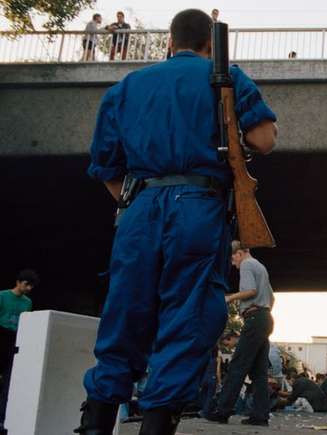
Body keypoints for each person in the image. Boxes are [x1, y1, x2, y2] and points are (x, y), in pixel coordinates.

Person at [75, 9, 278, 432]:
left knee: (125, 313)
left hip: (140, 209)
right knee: (185, 318)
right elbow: (264, 139)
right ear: (211, 44)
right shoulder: (226, 76)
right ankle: (156, 422)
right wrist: (233, 149)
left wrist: (136, 202)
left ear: (169, 41)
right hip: (198, 206)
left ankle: (95, 421)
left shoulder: (128, 86)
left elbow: (106, 167)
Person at [207, 241, 276, 426]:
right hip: (265, 317)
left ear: (239, 254)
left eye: (232, 258)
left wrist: (230, 298)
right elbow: (272, 298)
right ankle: (260, 416)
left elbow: (249, 290)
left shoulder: (246, 264)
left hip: (254, 319)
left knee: (238, 365)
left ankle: (222, 411)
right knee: (259, 372)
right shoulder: (261, 267)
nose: (233, 263)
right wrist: (263, 309)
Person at [0, 269, 37, 432]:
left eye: (31, 286)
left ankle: (2, 418)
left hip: (15, 339)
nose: (29, 288)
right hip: (1, 333)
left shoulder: (27, 302)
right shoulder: (2, 296)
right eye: (26, 284)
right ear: (18, 282)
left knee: (9, 380)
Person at [199, 331, 239, 418]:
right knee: (210, 397)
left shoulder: (207, 358)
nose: (226, 347)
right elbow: (217, 370)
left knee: (203, 395)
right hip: (212, 379)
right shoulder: (218, 358)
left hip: (205, 378)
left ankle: (201, 410)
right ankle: (206, 412)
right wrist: (220, 381)